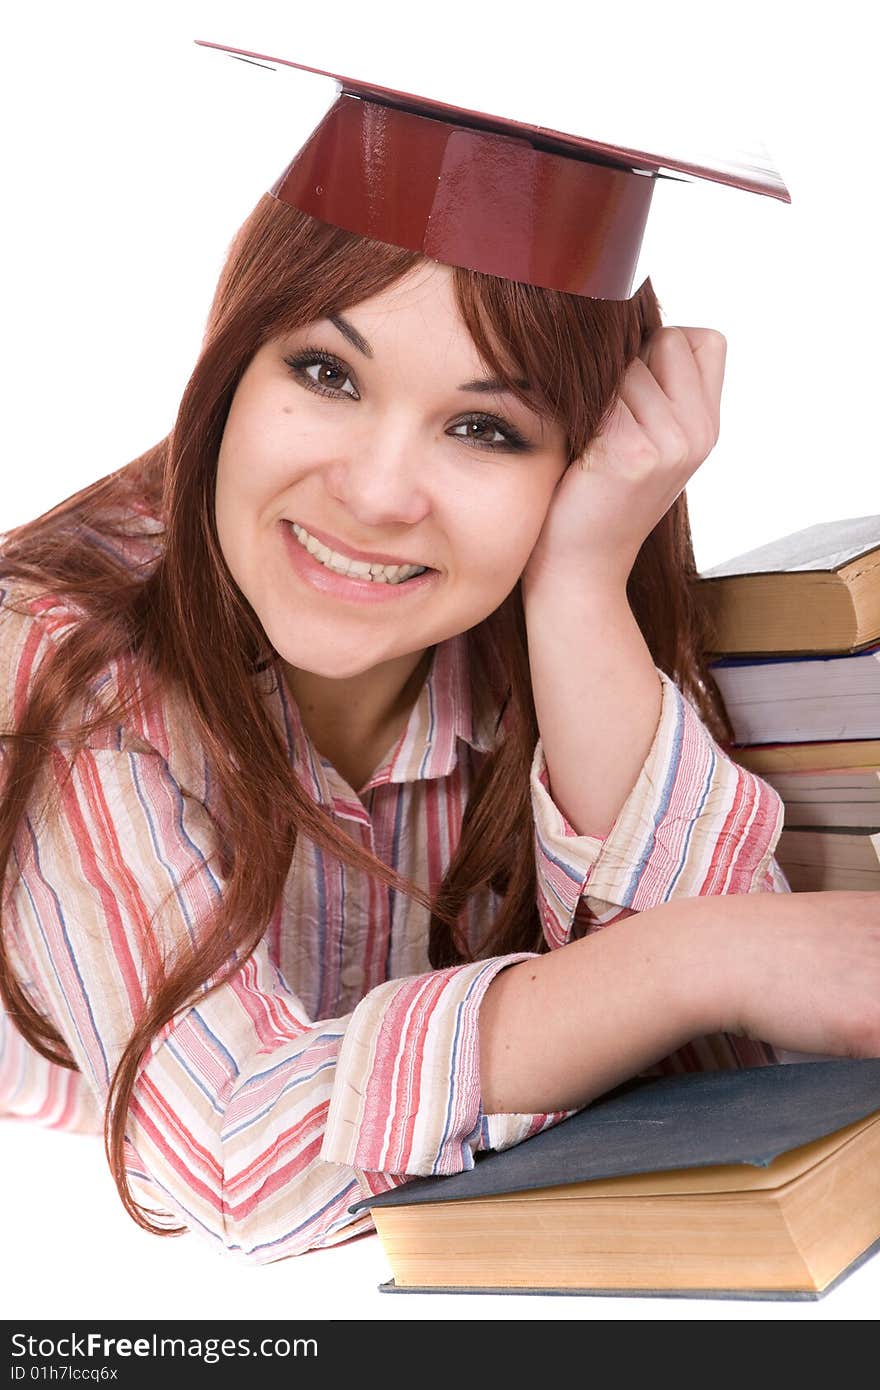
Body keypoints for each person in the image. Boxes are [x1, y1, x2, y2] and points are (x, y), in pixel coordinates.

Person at [1, 45, 878, 1267]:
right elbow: (234, 1158)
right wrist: (699, 960)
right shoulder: (54, 657)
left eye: (484, 427)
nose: (373, 492)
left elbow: (733, 1072)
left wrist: (578, 581)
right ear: (226, 375)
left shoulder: (528, 616)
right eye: (325, 371)